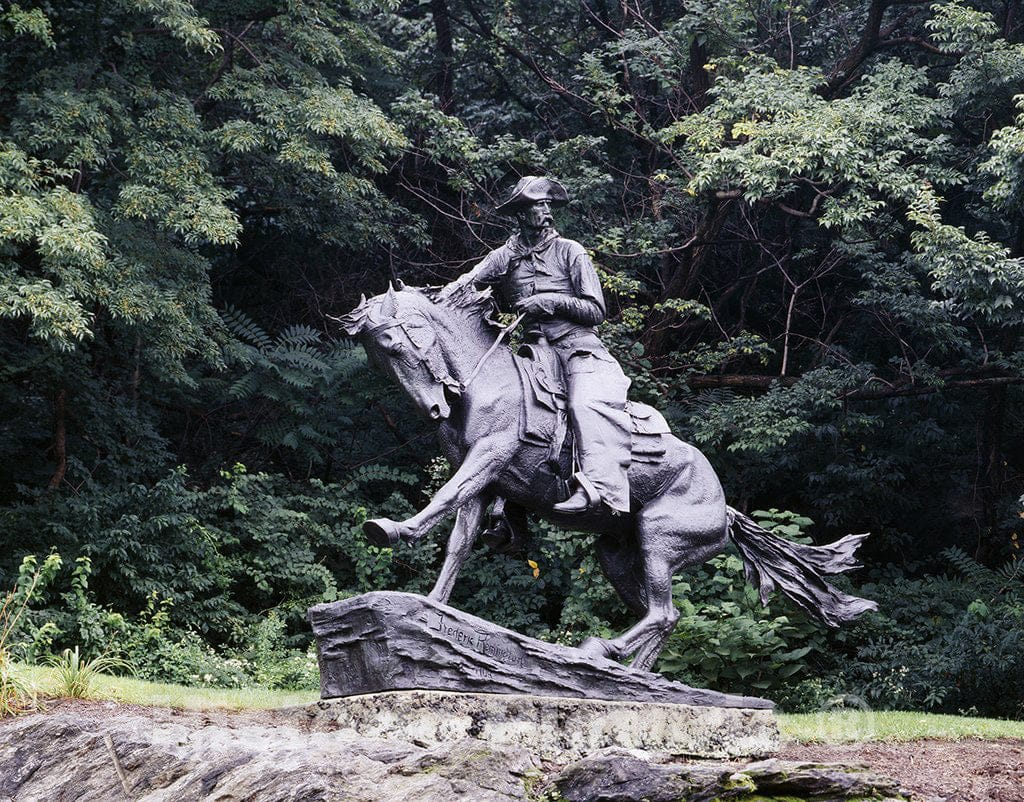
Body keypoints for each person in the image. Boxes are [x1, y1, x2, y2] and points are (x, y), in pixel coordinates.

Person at [445, 176, 632, 514]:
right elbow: (467, 283)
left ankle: (600, 487)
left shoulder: (570, 251)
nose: (546, 211)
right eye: (538, 205)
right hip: (534, 353)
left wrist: (551, 301)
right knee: (502, 412)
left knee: (583, 403)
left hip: (577, 347)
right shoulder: (506, 256)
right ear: (521, 214)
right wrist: (427, 302)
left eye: (547, 204)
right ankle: (507, 514)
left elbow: (596, 310)